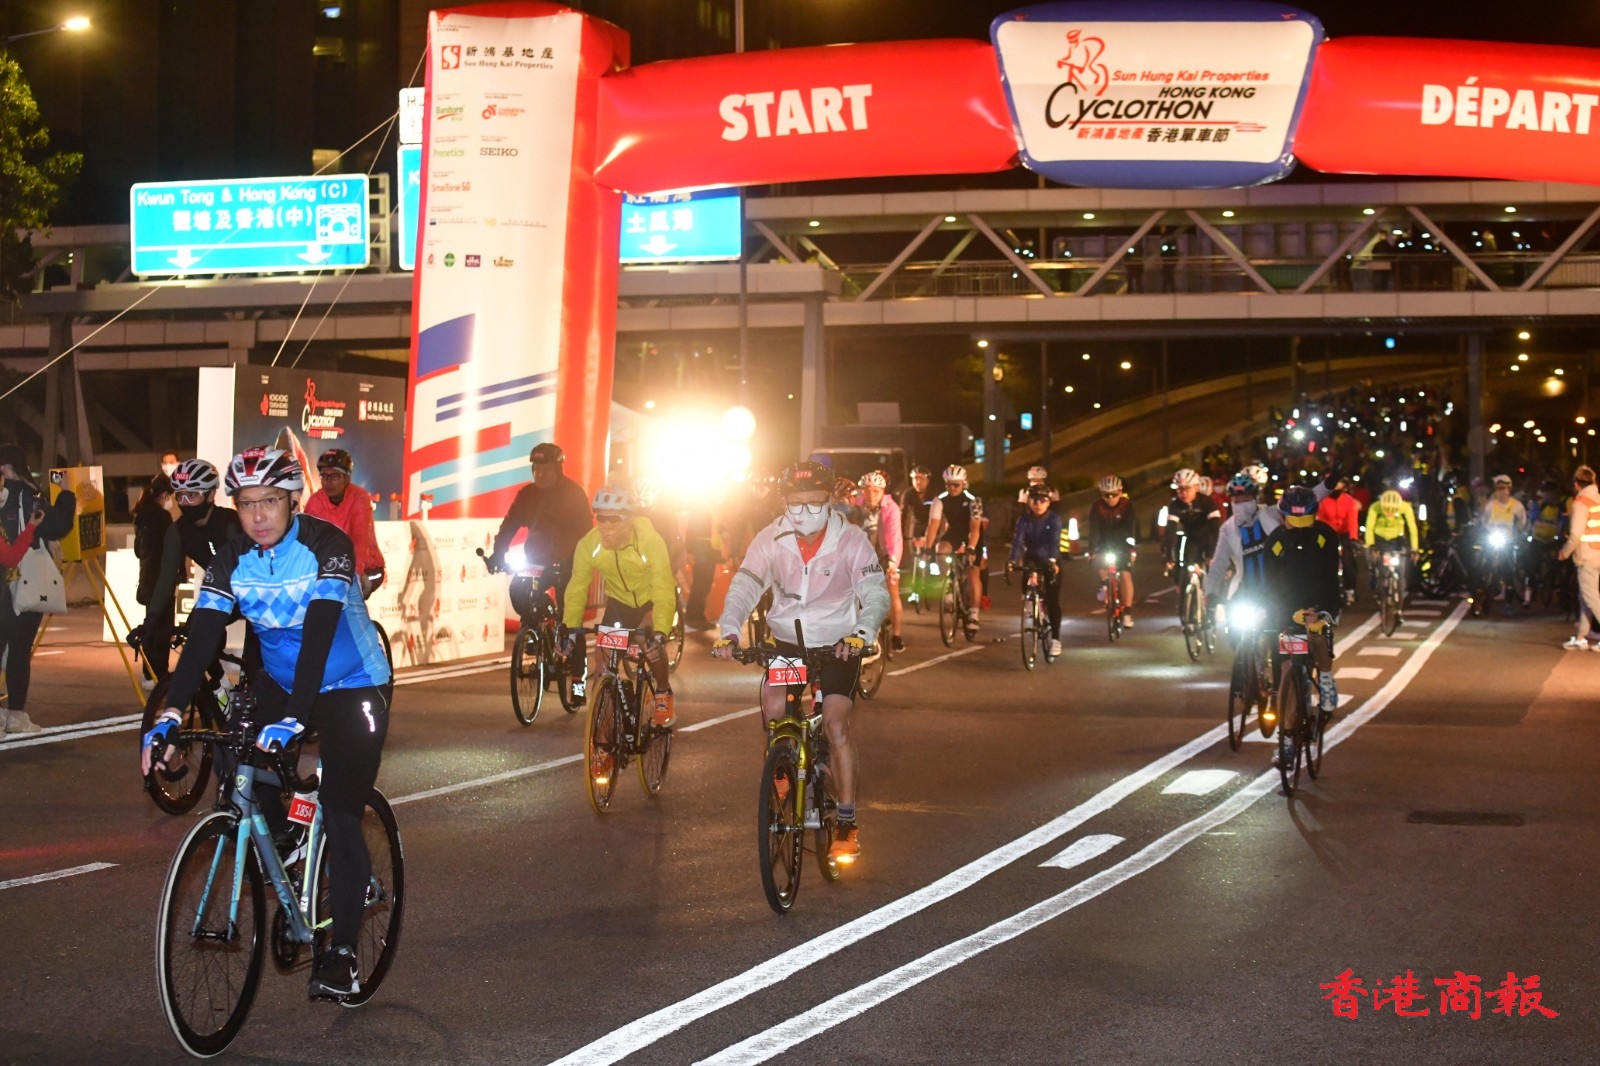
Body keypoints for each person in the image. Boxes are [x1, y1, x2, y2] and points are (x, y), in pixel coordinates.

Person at [141, 446, 392, 1000]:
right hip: (282, 681)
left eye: (270, 501)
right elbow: (204, 634)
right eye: (247, 503)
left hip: (353, 683)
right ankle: (287, 840)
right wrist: (171, 712)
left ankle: (343, 955)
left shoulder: (327, 546)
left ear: (293, 500)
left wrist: (297, 718)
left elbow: (319, 633)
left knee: (342, 811)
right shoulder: (232, 559)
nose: (258, 515)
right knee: (232, 750)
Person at [712, 460, 891, 863]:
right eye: (795, 503)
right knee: (774, 708)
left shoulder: (851, 540)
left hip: (839, 645)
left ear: (829, 501)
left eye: (813, 502)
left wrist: (861, 634)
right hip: (788, 643)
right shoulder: (770, 537)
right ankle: (782, 769)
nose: (804, 511)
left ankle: (846, 820)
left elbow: (875, 592)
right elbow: (745, 584)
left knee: (835, 724)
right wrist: (730, 629)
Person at [562, 485, 677, 727]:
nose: (606, 525)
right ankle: (601, 738)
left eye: (614, 518)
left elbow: (663, 589)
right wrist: (569, 629)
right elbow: (577, 588)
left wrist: (660, 632)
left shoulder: (650, 541)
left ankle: (663, 692)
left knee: (649, 644)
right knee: (602, 664)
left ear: (629, 518)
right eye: (601, 518)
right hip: (619, 604)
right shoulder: (589, 544)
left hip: (649, 601)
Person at [140, 459, 243, 683]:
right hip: (220, 591)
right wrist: (150, 620)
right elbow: (166, 580)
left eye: (192, 495)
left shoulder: (230, 523)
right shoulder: (178, 531)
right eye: (181, 496)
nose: (185, 503)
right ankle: (221, 689)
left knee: (257, 659)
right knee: (194, 638)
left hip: (253, 589)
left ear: (210, 495)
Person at [0, 444, 77, 736]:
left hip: (3, 584)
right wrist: (66, 493)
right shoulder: (29, 496)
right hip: (22, 583)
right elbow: (59, 526)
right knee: (19, 650)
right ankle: (16, 715)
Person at [1263, 485, 1343, 714]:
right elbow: (1270, 585)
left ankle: (1326, 680)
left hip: (1317, 600)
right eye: (1293, 521)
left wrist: (1324, 612)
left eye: (1304, 521)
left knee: (1318, 638)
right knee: (1287, 666)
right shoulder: (1275, 542)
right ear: (1282, 517)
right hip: (1287, 603)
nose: (1299, 528)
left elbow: (1331, 579)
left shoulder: (1326, 536)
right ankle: (1286, 729)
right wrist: (1283, 613)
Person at [490, 442, 593, 604]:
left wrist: (580, 561)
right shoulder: (527, 495)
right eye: (537, 469)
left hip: (568, 565)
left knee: (568, 609)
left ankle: (559, 617)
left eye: (546, 470)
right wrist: (498, 552)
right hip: (536, 562)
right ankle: (540, 614)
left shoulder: (574, 494)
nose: (540, 474)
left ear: (558, 470)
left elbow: (587, 531)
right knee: (519, 592)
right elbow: (509, 525)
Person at [302, 449, 386, 597]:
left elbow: (360, 542)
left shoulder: (359, 497)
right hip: (332, 567)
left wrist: (355, 576)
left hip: (369, 568)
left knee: (350, 596)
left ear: (347, 478)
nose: (328, 482)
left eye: (334, 476)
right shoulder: (315, 501)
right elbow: (306, 541)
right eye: (324, 476)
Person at [922, 465, 984, 636]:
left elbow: (975, 528)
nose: (952, 488)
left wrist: (971, 548)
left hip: (973, 534)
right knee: (941, 550)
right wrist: (928, 548)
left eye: (956, 485)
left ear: (964, 484)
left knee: (973, 572)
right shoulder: (939, 499)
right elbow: (933, 525)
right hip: (955, 532)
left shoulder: (973, 499)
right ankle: (949, 586)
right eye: (949, 484)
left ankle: (974, 613)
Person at [1009, 485, 1063, 657]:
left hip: (1050, 558)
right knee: (1027, 573)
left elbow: (1054, 541)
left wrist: (1052, 561)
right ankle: (1031, 602)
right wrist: (1012, 560)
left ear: (1048, 503)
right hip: (1032, 557)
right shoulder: (1024, 519)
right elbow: (1018, 541)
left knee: (1052, 599)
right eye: (1034, 501)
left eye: (1042, 501)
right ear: (1029, 502)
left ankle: (1055, 639)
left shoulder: (1054, 519)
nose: (1038, 504)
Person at [132, 474, 176, 680]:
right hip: (162, 577)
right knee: (163, 628)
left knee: (151, 624)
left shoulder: (141, 515)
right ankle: (159, 673)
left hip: (147, 577)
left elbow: (138, 551)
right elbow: (171, 549)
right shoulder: (163, 517)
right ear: (165, 495)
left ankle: (148, 673)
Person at [1161, 468, 1220, 616]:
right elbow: (1170, 531)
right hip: (1191, 540)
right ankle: (1185, 608)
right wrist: (1168, 556)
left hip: (1208, 538)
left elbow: (1216, 529)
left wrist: (1212, 554)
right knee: (1185, 567)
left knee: (1213, 568)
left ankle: (1213, 605)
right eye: (1179, 490)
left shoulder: (1206, 502)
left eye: (1187, 489)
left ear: (1196, 487)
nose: (1183, 493)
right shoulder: (1175, 505)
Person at [858, 471, 905, 652]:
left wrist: (893, 563)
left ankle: (897, 636)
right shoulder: (857, 505)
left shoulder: (891, 508)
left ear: (882, 492)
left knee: (892, 589)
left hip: (885, 553)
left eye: (876, 491)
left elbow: (895, 537)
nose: (871, 495)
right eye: (867, 491)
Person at [1087, 474, 1137, 627]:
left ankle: (1127, 613)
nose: (1110, 499)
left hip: (1122, 542)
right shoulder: (1097, 507)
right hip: (1103, 541)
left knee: (1125, 574)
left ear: (1120, 492)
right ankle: (1105, 584)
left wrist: (1131, 549)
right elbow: (1093, 529)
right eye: (1106, 495)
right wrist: (1091, 550)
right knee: (1098, 561)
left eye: (1114, 495)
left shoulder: (1127, 505)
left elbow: (1131, 529)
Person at [1559, 466, 1600, 649]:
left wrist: (1565, 552)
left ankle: (1582, 637)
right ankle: (1582, 636)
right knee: (1585, 597)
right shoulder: (1597, 500)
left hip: (1586, 556)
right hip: (1597, 554)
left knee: (1591, 598)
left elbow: (1576, 534)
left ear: (1577, 484)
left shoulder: (1581, 503)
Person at [1316, 473, 1362, 604]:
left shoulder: (1349, 501)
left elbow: (1353, 521)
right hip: (1328, 533)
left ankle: (1350, 590)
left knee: (1349, 560)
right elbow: (1320, 519)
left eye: (1339, 484)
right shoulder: (1322, 501)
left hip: (1345, 533)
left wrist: (1353, 538)